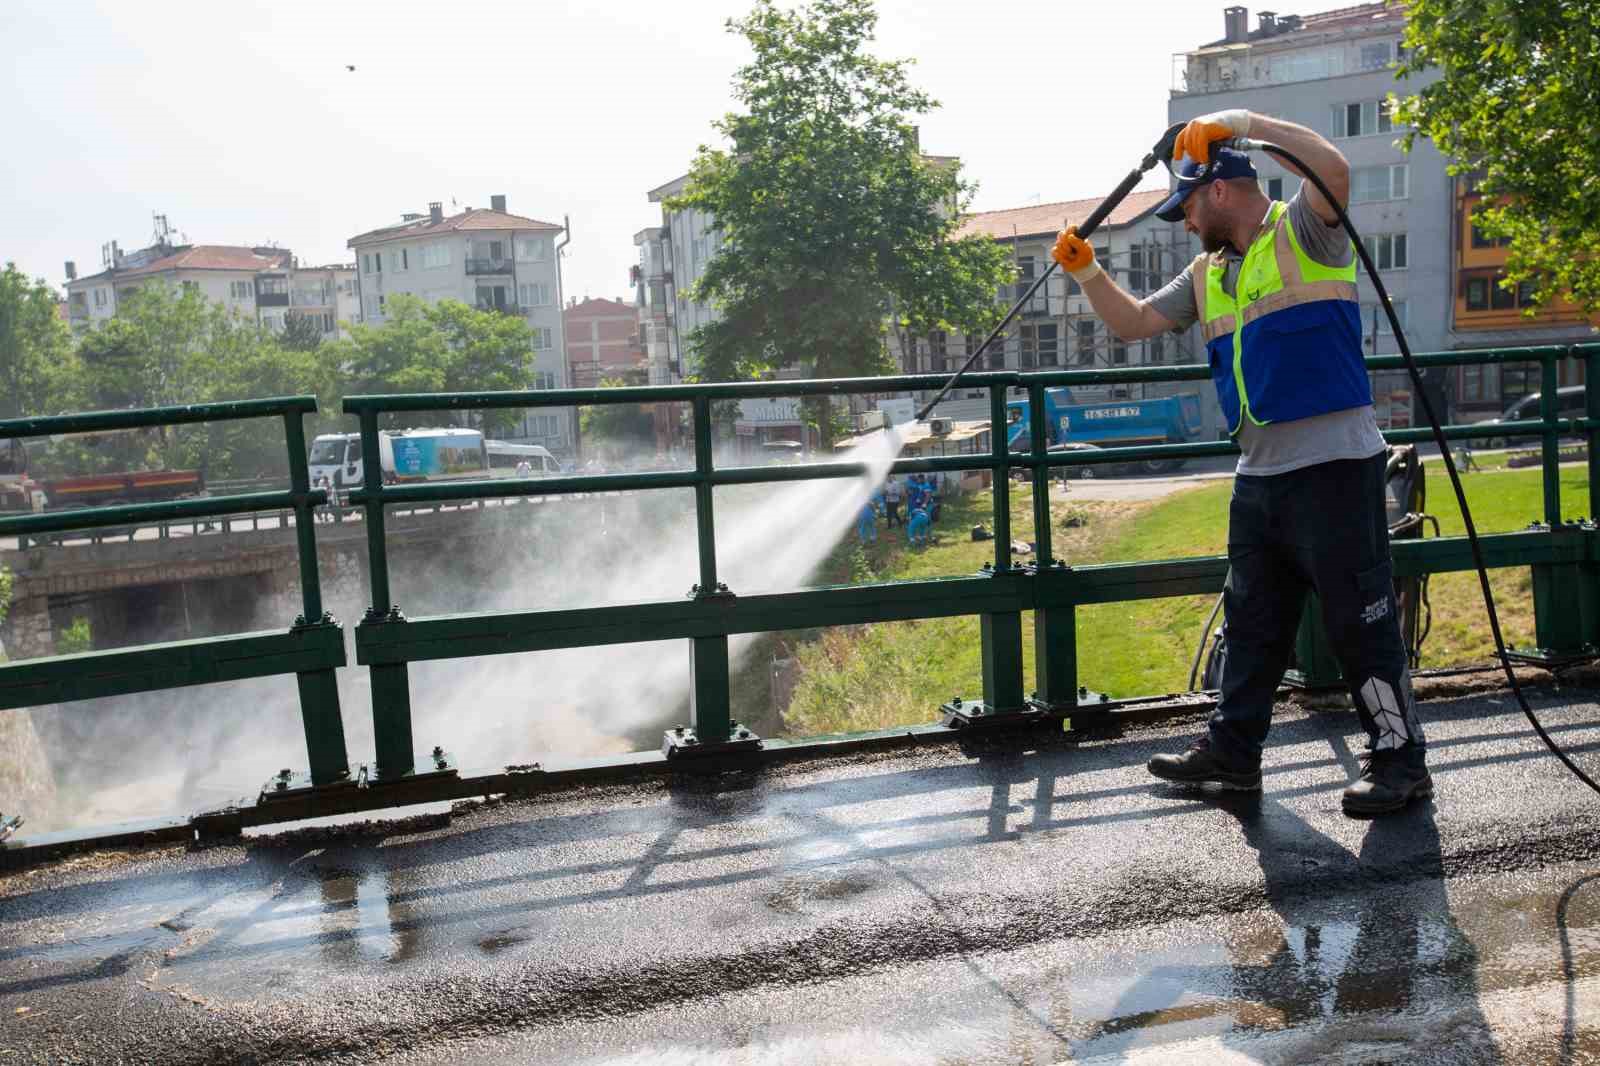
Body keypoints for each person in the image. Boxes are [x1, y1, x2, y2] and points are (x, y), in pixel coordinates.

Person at [1051, 109, 1428, 817]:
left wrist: (1246, 122)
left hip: (1335, 468)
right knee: (1252, 622)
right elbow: (1132, 324)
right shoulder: (1207, 275)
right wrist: (1088, 271)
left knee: (1359, 624)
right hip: (1259, 477)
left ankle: (1400, 762)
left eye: (1187, 207)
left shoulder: (1306, 230)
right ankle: (1234, 756)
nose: (1185, 223)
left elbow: (1334, 168)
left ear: (1220, 191)